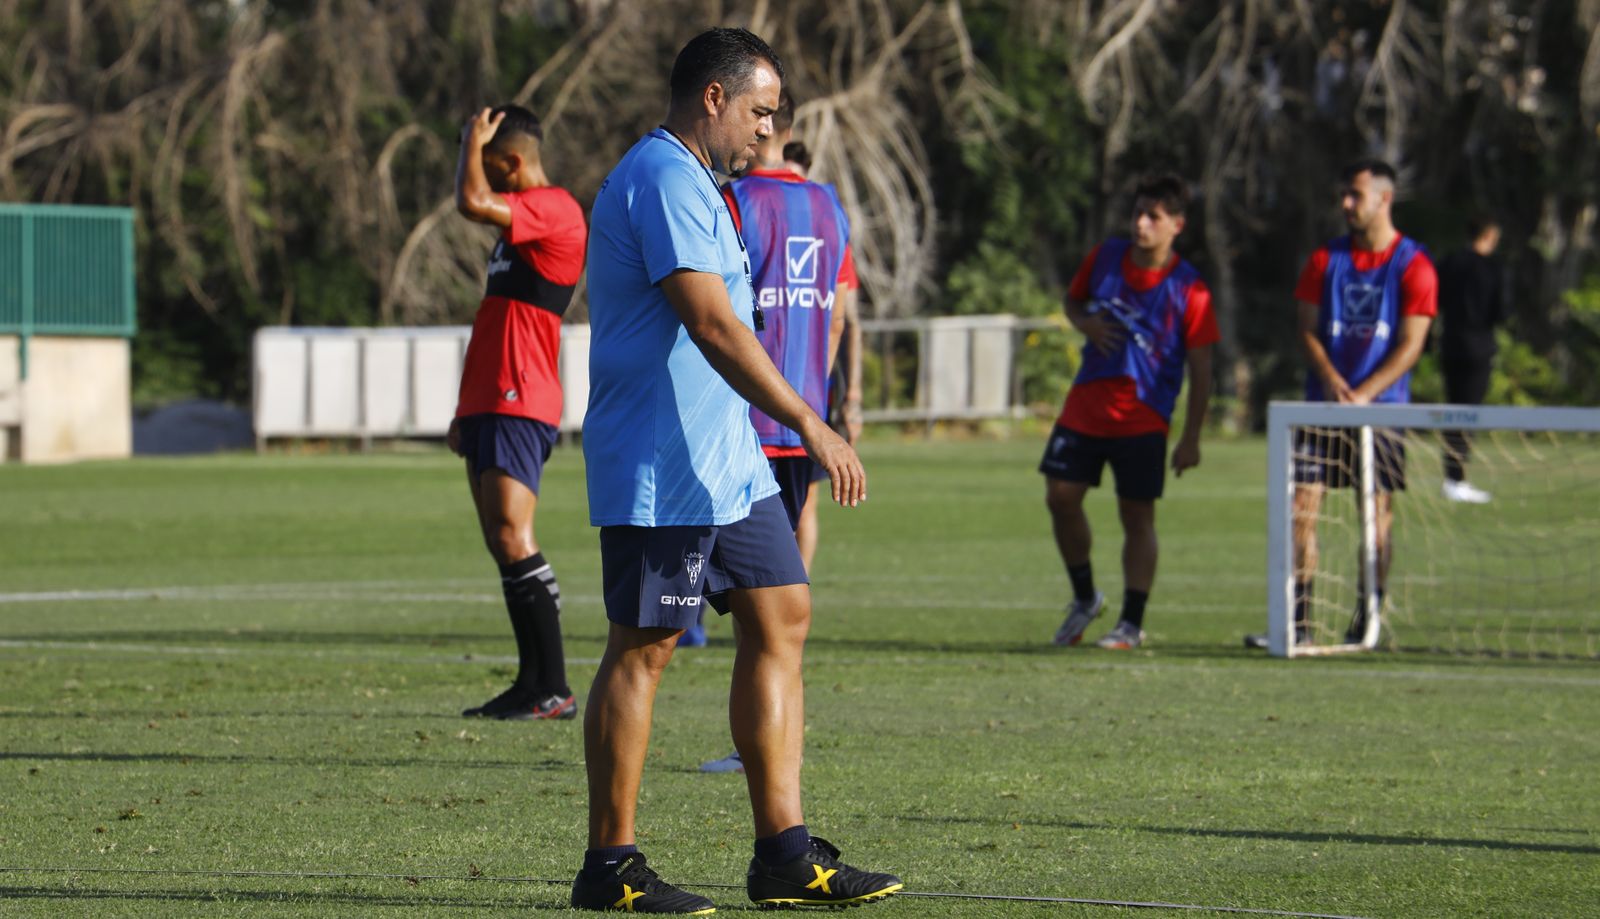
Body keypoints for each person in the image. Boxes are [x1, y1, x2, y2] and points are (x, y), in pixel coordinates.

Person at [572, 28, 902, 913]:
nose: (767, 132)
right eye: (760, 111)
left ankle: (784, 854)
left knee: (783, 613)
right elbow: (715, 326)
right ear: (713, 98)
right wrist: (811, 420)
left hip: (728, 456)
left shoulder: (709, 184)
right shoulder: (664, 178)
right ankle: (611, 866)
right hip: (661, 459)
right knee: (644, 650)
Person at [694, 111, 856, 774]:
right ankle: (767, 738)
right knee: (774, 599)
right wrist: (818, 399)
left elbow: (713, 312)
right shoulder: (828, 206)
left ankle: (757, 741)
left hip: (741, 420)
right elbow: (839, 313)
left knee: (751, 603)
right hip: (803, 419)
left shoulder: (734, 200)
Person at [1247, 159, 1438, 649]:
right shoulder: (1324, 261)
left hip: (1384, 411)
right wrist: (1333, 382)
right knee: (1302, 508)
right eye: (1344, 194)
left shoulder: (1414, 263)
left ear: (1384, 198)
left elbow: (1413, 343)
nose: (1346, 204)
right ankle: (1299, 620)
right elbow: (1306, 330)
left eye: (1356, 195)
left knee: (1375, 515)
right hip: (1322, 409)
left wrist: (1366, 393)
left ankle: (1366, 618)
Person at [448, 104, 585, 721]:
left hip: (520, 394)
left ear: (511, 160)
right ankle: (531, 684)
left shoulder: (554, 207)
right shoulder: (514, 233)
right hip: (488, 397)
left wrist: (466, 147)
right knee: (499, 541)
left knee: (514, 532)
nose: (486, 176)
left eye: (489, 162)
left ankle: (553, 684)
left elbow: (472, 202)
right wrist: (464, 406)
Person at [1042, 174, 1218, 652]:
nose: (1141, 224)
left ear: (1176, 225)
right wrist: (1084, 323)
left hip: (1143, 416)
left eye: (1153, 217)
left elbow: (1202, 370)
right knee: (1060, 497)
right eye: (1138, 213)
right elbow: (1073, 300)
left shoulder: (1191, 290)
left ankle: (1131, 624)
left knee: (1136, 515)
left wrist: (1191, 437)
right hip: (1086, 404)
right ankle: (1084, 597)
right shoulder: (1104, 258)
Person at [1435, 215, 1506, 504]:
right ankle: (1456, 478)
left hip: (1450, 344)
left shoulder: (1449, 262)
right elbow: (1502, 311)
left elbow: (1434, 299)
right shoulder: (1493, 268)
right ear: (1489, 234)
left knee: (1454, 409)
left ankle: (1454, 476)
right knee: (1467, 413)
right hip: (1478, 347)